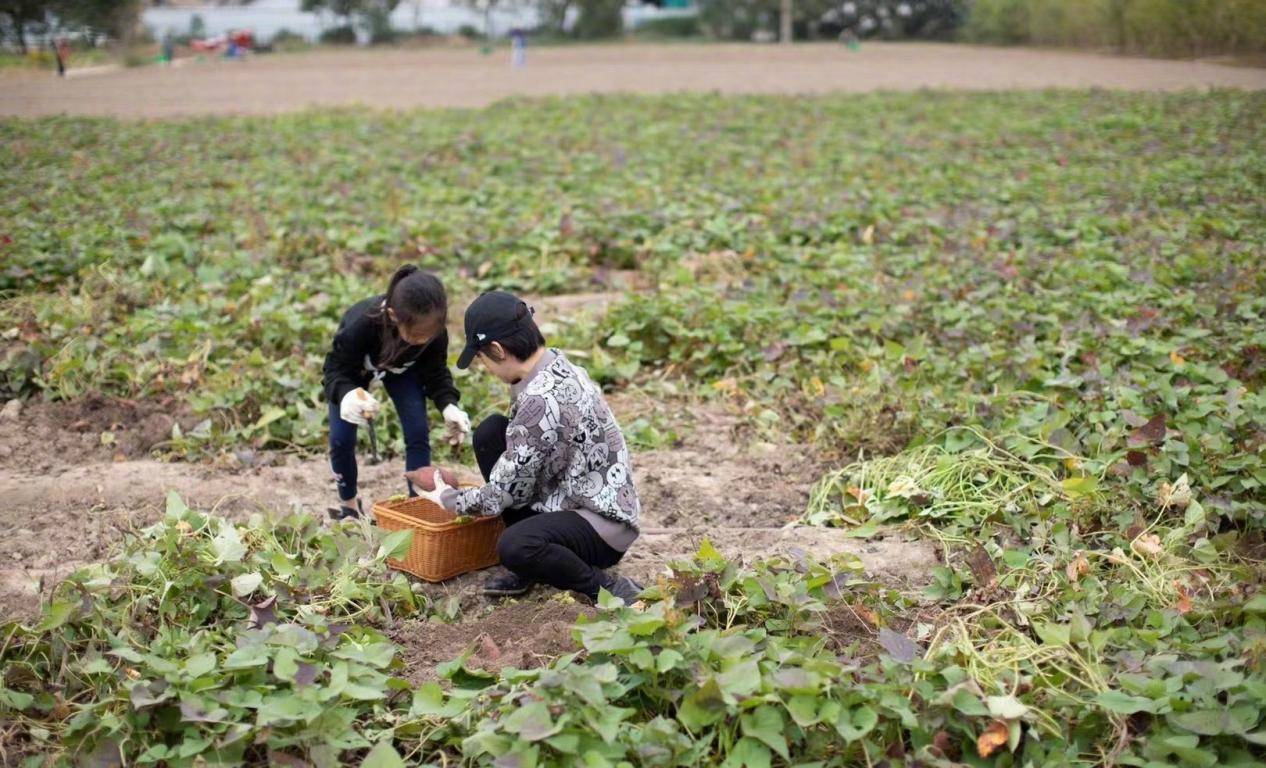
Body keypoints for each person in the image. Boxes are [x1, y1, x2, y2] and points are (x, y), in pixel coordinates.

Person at [413, 291, 643, 602]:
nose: (485, 368)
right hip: (575, 493)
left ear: (497, 349)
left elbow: (502, 494)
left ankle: (606, 588)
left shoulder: (540, 399)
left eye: (481, 359)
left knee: (515, 545)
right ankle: (532, 566)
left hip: (602, 527)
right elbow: (522, 465)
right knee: (491, 432)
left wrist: (448, 498)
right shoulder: (553, 365)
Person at [322, 265, 472, 520]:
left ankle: (417, 505)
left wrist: (449, 405)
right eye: (415, 336)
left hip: (402, 372)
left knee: (417, 431)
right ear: (393, 316)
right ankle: (349, 504)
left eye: (429, 336)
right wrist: (346, 394)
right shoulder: (362, 323)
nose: (423, 341)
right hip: (353, 373)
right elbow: (335, 369)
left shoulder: (433, 334)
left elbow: (435, 373)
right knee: (341, 439)